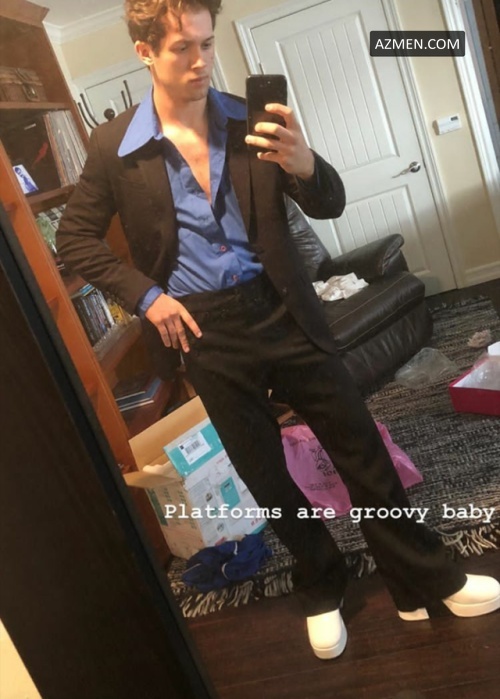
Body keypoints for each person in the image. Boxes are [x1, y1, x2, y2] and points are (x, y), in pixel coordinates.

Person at [57, 0, 500, 660]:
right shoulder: (114, 146)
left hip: (283, 308)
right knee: (264, 471)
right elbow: (73, 240)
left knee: (360, 447)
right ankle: (322, 582)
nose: (201, 61)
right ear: (144, 51)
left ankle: (421, 578)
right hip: (202, 330)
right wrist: (148, 298)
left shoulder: (250, 119)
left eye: (207, 43)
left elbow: (330, 202)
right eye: (183, 48)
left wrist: (305, 163)